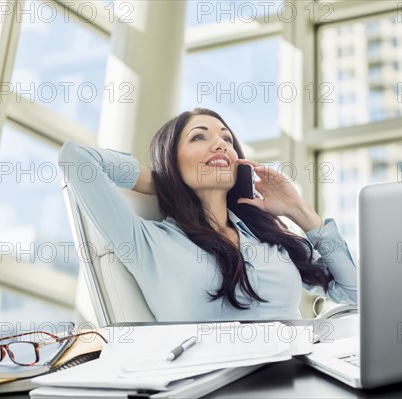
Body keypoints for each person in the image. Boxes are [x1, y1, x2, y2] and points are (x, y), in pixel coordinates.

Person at [59, 108, 357, 321]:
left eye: (227, 139)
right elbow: (75, 159)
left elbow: (354, 295)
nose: (220, 144)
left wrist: (299, 210)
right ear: (171, 160)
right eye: (199, 137)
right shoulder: (148, 242)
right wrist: (161, 180)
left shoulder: (269, 240)